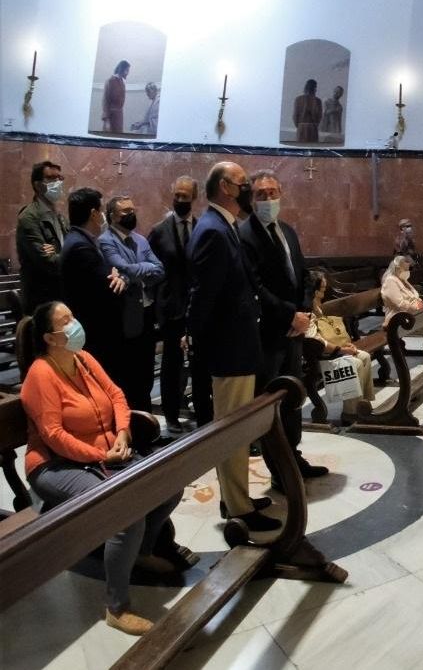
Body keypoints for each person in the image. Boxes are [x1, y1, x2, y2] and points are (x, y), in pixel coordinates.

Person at [19, 300, 186, 636]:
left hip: (105, 453)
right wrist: (99, 457)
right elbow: (53, 436)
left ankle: (139, 552)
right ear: (51, 338)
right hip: (55, 466)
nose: (74, 324)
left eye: (73, 316)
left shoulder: (84, 359)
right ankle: (116, 606)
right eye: (65, 321)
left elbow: (116, 395)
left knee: (167, 485)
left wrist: (122, 432)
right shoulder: (41, 374)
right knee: (124, 513)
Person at [188, 162, 278, 532]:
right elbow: (204, 297)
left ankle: (235, 496)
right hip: (229, 350)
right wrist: (199, 345)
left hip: (237, 346)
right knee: (231, 431)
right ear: (225, 187)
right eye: (243, 184)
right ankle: (238, 508)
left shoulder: (223, 226)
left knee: (238, 429)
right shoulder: (213, 230)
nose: (247, 190)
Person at [235, 170, 326, 485]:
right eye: (262, 194)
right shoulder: (244, 235)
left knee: (293, 396)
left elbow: (302, 275)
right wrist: (290, 316)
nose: (269, 199)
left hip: (294, 330)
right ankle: (279, 470)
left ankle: (294, 456)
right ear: (251, 198)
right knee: (271, 401)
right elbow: (256, 287)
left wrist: (303, 313)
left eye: (274, 193)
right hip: (269, 333)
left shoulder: (287, 230)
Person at [97, 195, 165, 413]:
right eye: (125, 212)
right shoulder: (106, 241)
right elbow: (121, 268)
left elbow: (160, 269)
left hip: (147, 314)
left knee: (145, 374)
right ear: (111, 216)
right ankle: (130, 426)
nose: (131, 215)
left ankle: (146, 426)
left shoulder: (141, 240)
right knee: (128, 376)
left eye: (132, 210)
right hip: (126, 318)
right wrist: (140, 270)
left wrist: (133, 272)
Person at [148, 177, 201, 430]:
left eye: (185, 196)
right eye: (177, 195)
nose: (180, 200)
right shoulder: (159, 231)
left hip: (197, 305)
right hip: (171, 309)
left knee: (199, 360)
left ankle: (202, 411)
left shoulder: (202, 228)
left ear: (194, 198)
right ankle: (170, 414)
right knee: (171, 364)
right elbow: (151, 270)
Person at [60, 188, 127, 366]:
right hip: (95, 332)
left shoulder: (80, 240)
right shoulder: (80, 246)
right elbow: (110, 288)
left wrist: (115, 274)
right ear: (93, 214)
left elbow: (109, 273)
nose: (103, 216)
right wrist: (118, 278)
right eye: (101, 210)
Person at [304, 271, 375, 421]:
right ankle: (350, 413)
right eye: (322, 288)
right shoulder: (307, 310)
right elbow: (315, 341)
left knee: (365, 356)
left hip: (333, 350)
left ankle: (363, 405)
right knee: (354, 363)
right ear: (314, 291)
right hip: (319, 356)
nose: (325, 291)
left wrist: (343, 344)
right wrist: (341, 350)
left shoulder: (318, 307)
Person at [17, 160, 67, 311]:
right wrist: (71, 258)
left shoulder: (59, 217)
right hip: (40, 299)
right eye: (52, 178)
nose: (58, 182)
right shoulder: (29, 217)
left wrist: (62, 254)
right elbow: (47, 262)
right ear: (37, 185)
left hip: (59, 293)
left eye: (60, 178)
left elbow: (69, 247)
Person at [381, 255, 423, 362]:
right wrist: (417, 306)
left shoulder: (403, 280)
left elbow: (415, 297)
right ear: (397, 268)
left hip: (413, 314)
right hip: (398, 319)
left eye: (408, 268)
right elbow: (399, 303)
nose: (407, 271)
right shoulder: (390, 281)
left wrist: (421, 305)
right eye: (405, 269)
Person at [103, 60, 130, 133]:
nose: (128, 73)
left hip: (119, 116)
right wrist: (107, 121)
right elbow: (106, 101)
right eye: (127, 70)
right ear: (122, 69)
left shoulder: (122, 82)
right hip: (111, 116)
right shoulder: (110, 81)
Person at [293, 79, 323, 144]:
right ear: (315, 88)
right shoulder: (318, 101)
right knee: (312, 148)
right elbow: (319, 117)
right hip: (312, 127)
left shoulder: (298, 99)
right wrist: (315, 124)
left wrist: (299, 126)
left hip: (301, 127)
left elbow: (295, 116)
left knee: (301, 148)